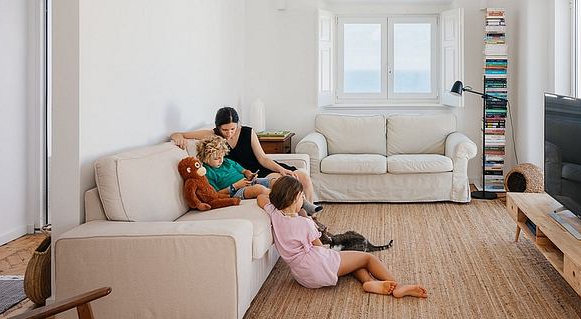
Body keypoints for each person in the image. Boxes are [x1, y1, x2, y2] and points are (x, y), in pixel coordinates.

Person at [257, 176, 427, 298]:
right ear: (295, 198)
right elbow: (319, 247)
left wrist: (275, 202)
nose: (303, 199)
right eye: (302, 196)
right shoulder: (305, 224)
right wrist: (308, 219)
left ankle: (368, 282)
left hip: (302, 276)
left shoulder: (274, 214)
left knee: (352, 261)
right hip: (317, 266)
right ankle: (398, 286)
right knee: (367, 258)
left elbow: (261, 197)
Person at [171, 106, 321, 211]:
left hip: (259, 169)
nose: (229, 133)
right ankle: (302, 215)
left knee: (304, 178)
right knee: (288, 184)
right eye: (224, 129)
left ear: (238, 124)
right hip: (242, 179)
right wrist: (176, 136)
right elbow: (181, 134)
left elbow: (262, 158)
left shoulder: (248, 132)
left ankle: (311, 218)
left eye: (232, 129)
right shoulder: (212, 136)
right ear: (217, 127)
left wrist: (282, 169)